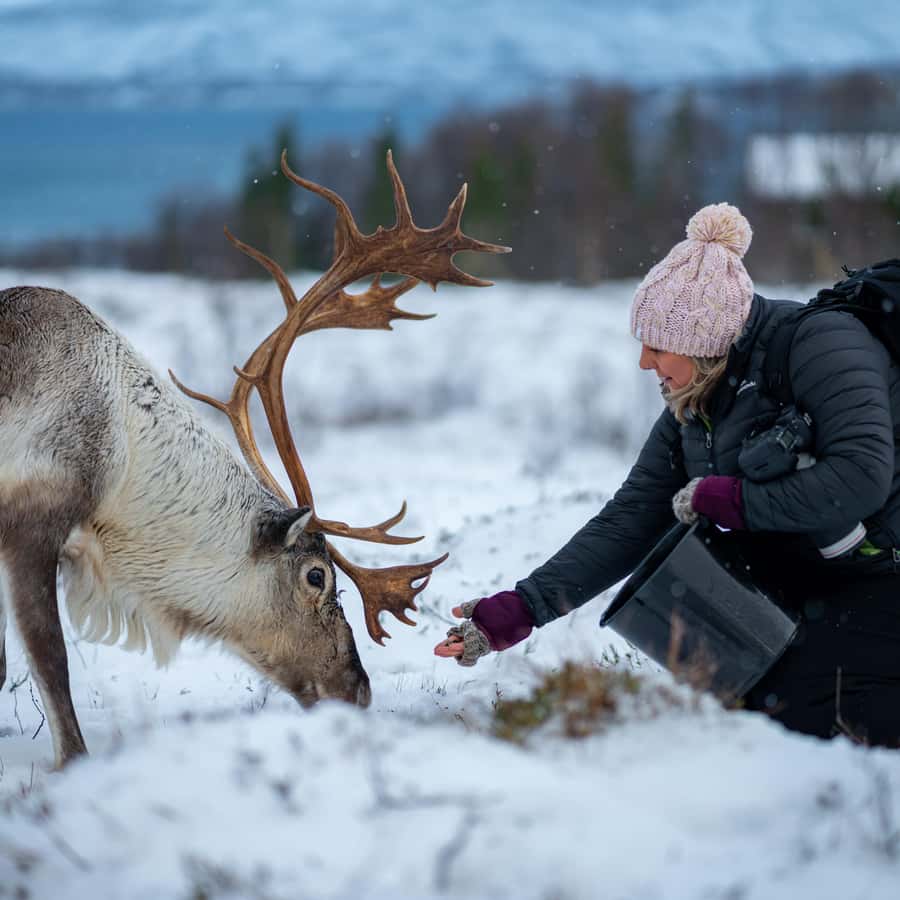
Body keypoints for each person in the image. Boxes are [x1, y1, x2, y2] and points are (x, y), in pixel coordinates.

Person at [435, 202, 900, 747]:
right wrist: (520, 609)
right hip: (819, 578)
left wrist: (737, 501)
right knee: (755, 702)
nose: (644, 362)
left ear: (703, 342)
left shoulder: (822, 346)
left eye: (656, 347)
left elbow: (862, 476)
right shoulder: (699, 401)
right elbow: (632, 517)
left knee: (811, 713)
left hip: (883, 574)